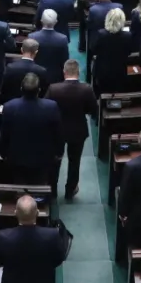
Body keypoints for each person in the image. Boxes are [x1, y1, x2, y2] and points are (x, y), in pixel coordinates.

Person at [47, 60, 96, 199]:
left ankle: (52, 190)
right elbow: (92, 110)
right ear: (78, 73)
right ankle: (70, 190)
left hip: (58, 130)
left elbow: (47, 108)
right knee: (75, 161)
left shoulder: (53, 89)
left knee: (55, 160)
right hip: (78, 130)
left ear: (64, 72)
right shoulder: (86, 89)